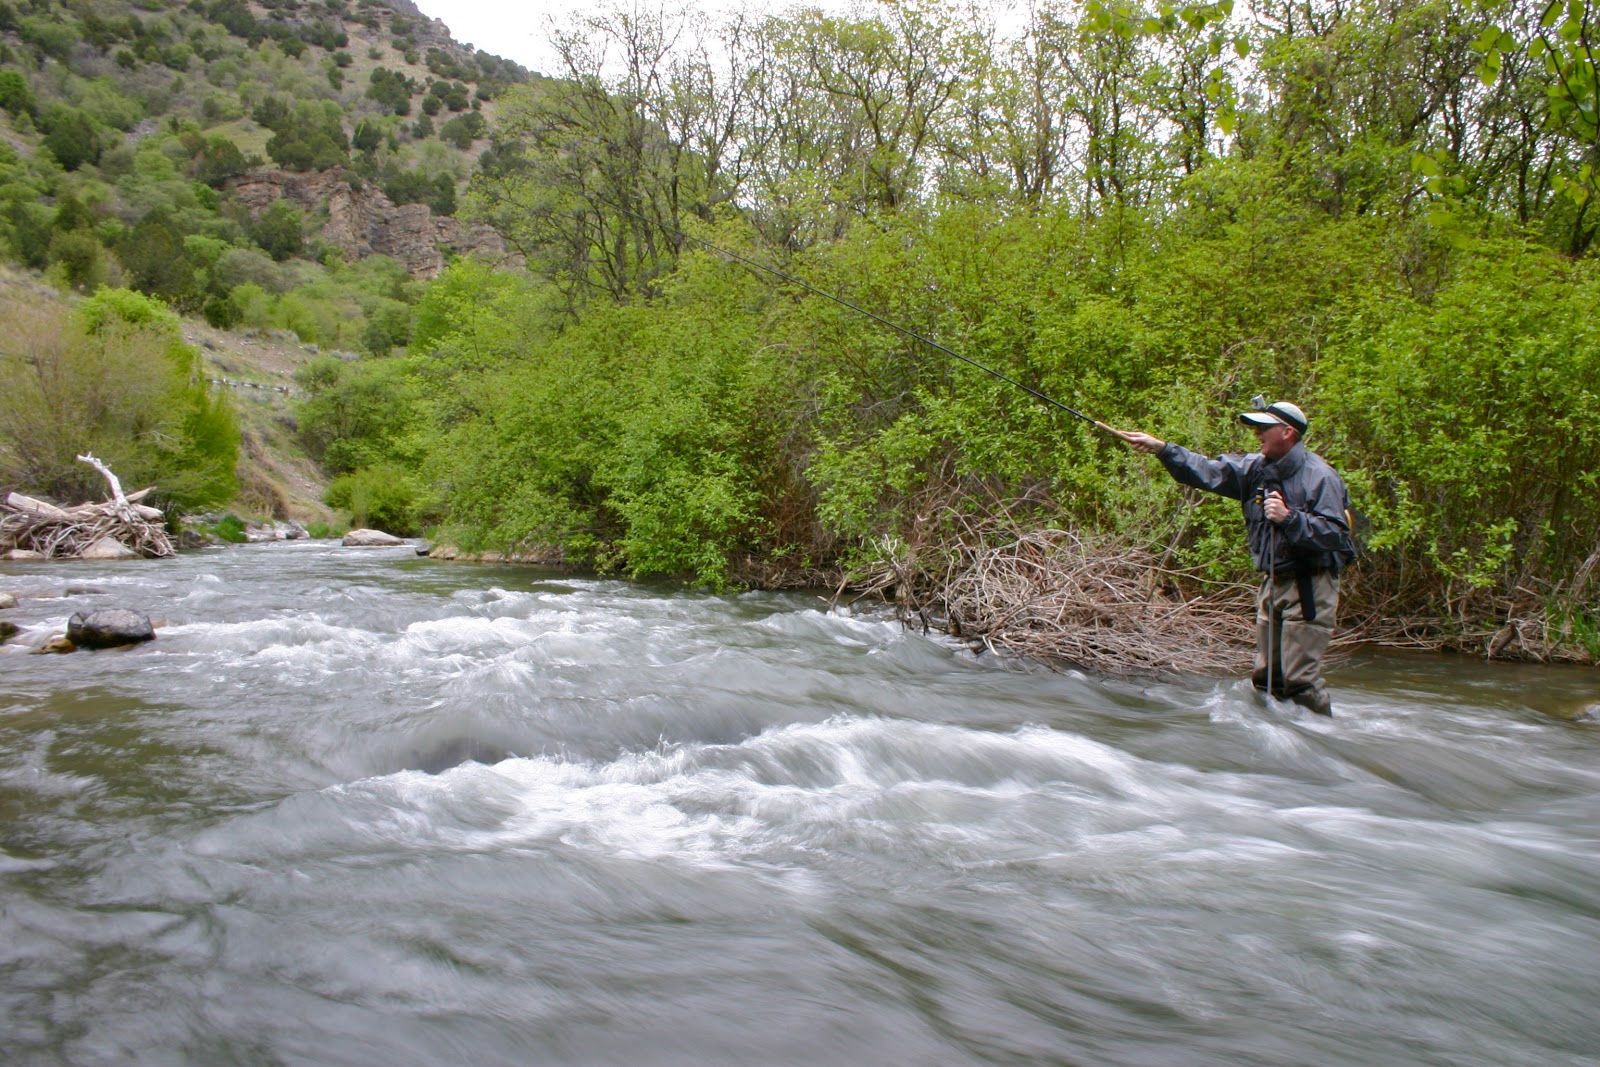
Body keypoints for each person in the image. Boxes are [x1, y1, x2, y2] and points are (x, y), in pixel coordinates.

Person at [1110, 399, 1356, 716]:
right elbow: (1207, 471)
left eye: (1263, 428)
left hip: (1311, 585)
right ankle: (1280, 748)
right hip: (1274, 582)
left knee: (1299, 683)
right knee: (1267, 680)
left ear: (1287, 432)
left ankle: (1323, 744)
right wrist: (1162, 449)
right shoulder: (1255, 469)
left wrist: (1289, 518)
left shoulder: (1321, 477)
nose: (1256, 433)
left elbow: (1337, 534)